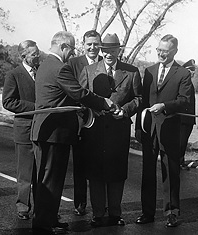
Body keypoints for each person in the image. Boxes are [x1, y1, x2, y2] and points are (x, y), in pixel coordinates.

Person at [30, 31, 115, 235]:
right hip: (54, 133)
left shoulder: (44, 65)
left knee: (51, 178)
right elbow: (78, 92)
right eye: (72, 48)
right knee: (50, 179)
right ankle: (43, 223)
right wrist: (104, 102)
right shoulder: (60, 68)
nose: (72, 53)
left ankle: (49, 218)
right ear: (64, 47)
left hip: (47, 131)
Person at [79, 33, 142, 227]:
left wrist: (125, 111)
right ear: (101, 50)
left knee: (116, 172)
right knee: (95, 173)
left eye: (112, 51)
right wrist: (92, 110)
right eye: (105, 50)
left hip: (119, 131)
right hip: (94, 131)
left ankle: (115, 214)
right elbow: (80, 97)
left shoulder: (131, 72)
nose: (108, 54)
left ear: (119, 51)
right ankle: (98, 214)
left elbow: (139, 98)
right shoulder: (89, 71)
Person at [135, 34, 192, 227]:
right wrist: (138, 128)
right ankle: (147, 213)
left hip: (170, 129)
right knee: (147, 172)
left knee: (171, 171)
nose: (160, 53)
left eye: (165, 51)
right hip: (149, 129)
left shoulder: (183, 73)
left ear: (175, 51)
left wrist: (165, 106)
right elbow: (142, 103)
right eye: (158, 50)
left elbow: (185, 102)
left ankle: (172, 212)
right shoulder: (149, 71)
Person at [2, 40, 39, 220]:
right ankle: (23, 207)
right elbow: (8, 102)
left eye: (37, 52)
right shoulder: (14, 74)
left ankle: (42, 209)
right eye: (34, 54)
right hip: (24, 130)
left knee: (41, 174)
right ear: (24, 56)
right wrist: (35, 107)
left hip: (42, 130)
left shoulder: (42, 73)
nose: (37, 56)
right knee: (25, 174)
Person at [67, 30, 102, 216]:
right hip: (80, 121)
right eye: (89, 44)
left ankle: (100, 205)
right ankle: (80, 203)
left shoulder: (106, 62)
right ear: (83, 44)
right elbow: (69, 89)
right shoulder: (73, 63)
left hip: (101, 123)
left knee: (98, 165)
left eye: (96, 44)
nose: (92, 47)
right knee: (79, 164)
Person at [180, 59, 196, 170]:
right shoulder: (184, 84)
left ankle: (180, 160)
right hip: (183, 119)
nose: (193, 73)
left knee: (183, 141)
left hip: (188, 119)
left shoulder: (189, 83)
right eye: (191, 71)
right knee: (181, 141)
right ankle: (179, 162)